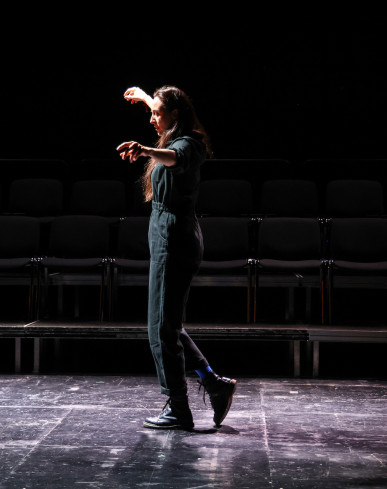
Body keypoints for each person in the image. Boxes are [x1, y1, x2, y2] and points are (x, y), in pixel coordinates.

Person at [117, 85, 236, 430]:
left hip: (176, 238)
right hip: (164, 235)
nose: (152, 118)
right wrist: (143, 96)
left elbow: (174, 158)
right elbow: (162, 113)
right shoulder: (173, 132)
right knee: (169, 325)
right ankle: (214, 383)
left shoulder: (189, 144)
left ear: (176, 116)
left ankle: (179, 408)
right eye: (150, 112)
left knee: (161, 329)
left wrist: (143, 150)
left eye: (157, 113)